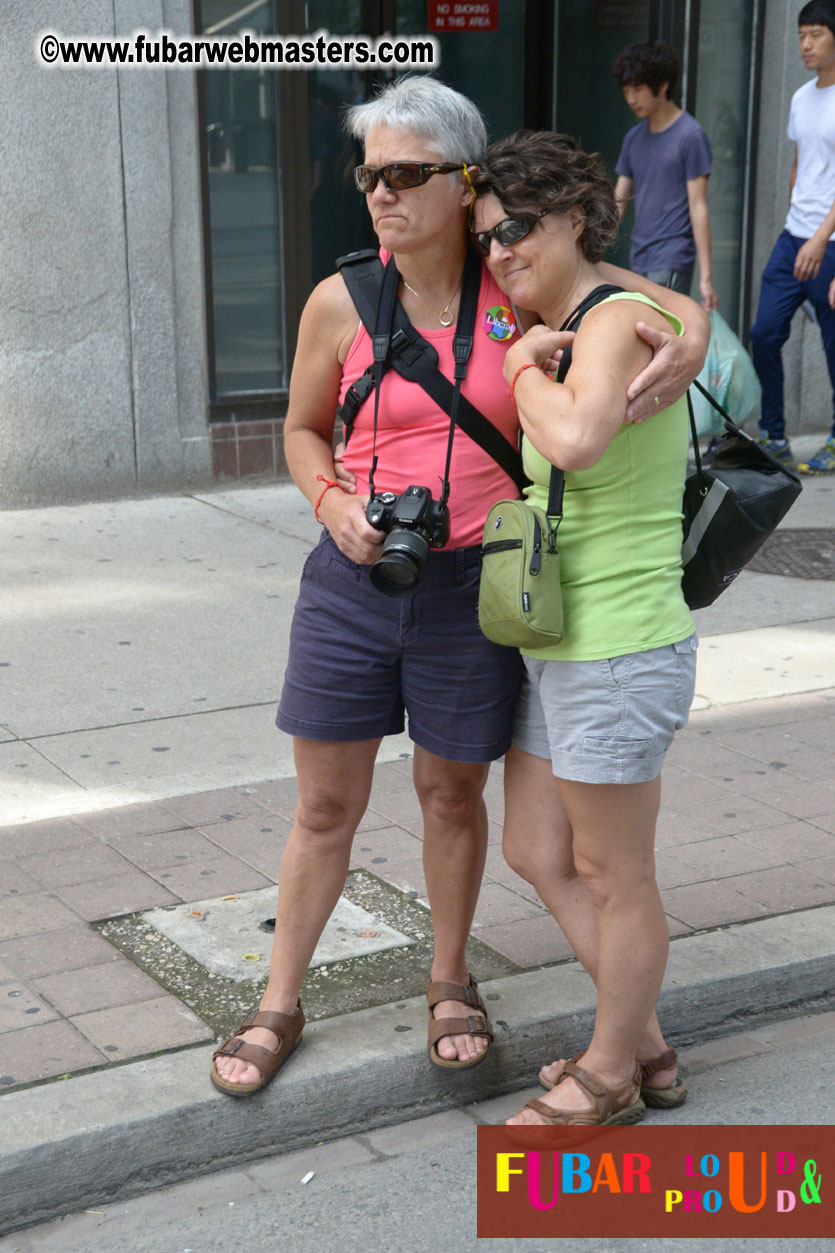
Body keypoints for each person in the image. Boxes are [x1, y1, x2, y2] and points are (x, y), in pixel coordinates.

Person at [210, 77, 709, 1097]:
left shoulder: (519, 290)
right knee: (323, 807)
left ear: (461, 179)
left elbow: (639, 303)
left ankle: (449, 979)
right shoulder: (339, 300)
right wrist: (331, 501)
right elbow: (304, 430)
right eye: (369, 177)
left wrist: (693, 330)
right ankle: (278, 997)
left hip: (480, 588)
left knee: (450, 794)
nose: (381, 196)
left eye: (404, 175)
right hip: (354, 581)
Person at [471, 129, 697, 1127]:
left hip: (617, 635)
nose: (500, 252)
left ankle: (608, 1075)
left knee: (613, 870)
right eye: (486, 238)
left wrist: (521, 364)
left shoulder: (606, 322)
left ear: (571, 216)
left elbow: (573, 434)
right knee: (534, 845)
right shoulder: (594, 305)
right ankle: (640, 1041)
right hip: (563, 633)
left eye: (515, 228)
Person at [749, 0, 835, 475]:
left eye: (816, 34)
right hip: (794, 236)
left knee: (833, 346)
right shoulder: (802, 97)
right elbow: (802, 164)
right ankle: (775, 434)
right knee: (764, 333)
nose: (805, 44)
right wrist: (793, 219)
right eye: (801, 34)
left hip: (830, 243)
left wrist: (821, 238)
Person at [612, 40, 717, 313]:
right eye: (626, 90)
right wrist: (593, 244)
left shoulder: (690, 136)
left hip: (672, 255)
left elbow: (699, 206)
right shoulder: (633, 138)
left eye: (637, 89)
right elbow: (619, 199)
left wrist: (706, 277)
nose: (630, 99)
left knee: (656, 331)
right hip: (640, 257)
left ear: (662, 85)